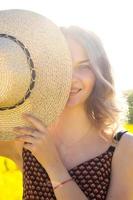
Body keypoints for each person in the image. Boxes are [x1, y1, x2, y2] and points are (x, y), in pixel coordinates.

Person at [0, 12, 133, 200]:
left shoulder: (123, 147)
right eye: (65, 66)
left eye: (84, 66)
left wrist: (53, 165)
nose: (72, 78)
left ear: (98, 72)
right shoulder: (26, 137)